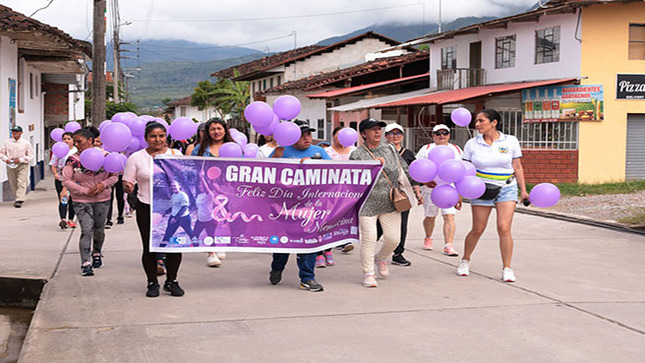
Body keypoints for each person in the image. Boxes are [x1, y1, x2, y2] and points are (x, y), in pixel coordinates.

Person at [458, 109, 529, 283]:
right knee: (478, 229)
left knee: (504, 228)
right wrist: (460, 193)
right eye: (476, 121)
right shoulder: (472, 144)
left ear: (494, 122)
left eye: (481, 121)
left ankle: (507, 268)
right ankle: (465, 260)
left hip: (507, 187)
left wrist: (524, 190)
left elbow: (517, 166)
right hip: (481, 189)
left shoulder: (510, 141)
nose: (477, 124)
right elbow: (463, 171)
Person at [349, 118, 417, 288]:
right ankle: (368, 273)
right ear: (363, 134)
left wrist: (419, 182)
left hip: (391, 200)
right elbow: (351, 179)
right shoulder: (357, 155)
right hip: (367, 203)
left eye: (379, 129)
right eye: (372, 129)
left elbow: (404, 170)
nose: (377, 132)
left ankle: (380, 259)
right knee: (369, 239)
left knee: (394, 239)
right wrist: (372, 166)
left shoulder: (390, 149)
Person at [123, 122, 186, 297]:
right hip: (147, 207)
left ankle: (172, 281)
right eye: (153, 136)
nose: (157, 139)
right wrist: (128, 187)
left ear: (166, 137)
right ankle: (152, 283)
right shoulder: (136, 158)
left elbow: (186, 177)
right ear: (146, 139)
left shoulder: (176, 155)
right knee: (149, 247)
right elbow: (128, 181)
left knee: (174, 246)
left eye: (161, 136)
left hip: (172, 208)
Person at [268, 120, 330, 292]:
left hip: (310, 207)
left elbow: (335, 173)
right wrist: (276, 158)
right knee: (283, 244)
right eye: (302, 135)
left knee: (308, 242)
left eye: (309, 134)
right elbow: (265, 174)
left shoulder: (320, 152)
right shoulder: (281, 151)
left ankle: (307, 278)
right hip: (284, 208)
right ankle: (277, 268)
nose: (307, 138)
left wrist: (316, 165)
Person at [61, 129, 118, 276]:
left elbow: (114, 176)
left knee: (99, 229)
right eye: (75, 142)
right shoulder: (72, 160)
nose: (76, 144)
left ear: (90, 140)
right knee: (86, 229)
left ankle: (97, 253)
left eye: (79, 141)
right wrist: (84, 191)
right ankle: (85, 262)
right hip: (81, 201)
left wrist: (102, 185)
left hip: (102, 199)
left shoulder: (105, 157)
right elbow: (66, 179)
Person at [416, 124, 463, 256]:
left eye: (445, 132)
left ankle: (449, 245)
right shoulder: (426, 149)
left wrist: (460, 194)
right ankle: (428, 237)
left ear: (449, 135)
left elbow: (461, 171)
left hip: (450, 188)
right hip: (431, 187)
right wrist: (419, 190)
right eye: (438, 133)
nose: (442, 135)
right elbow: (418, 169)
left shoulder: (456, 149)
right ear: (433, 135)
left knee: (449, 216)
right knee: (430, 216)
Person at [381, 123, 422, 267]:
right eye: (391, 133)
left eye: (398, 133)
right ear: (386, 136)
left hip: (403, 194)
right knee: (380, 223)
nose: (395, 136)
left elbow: (414, 175)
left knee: (402, 223)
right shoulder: (381, 152)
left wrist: (418, 192)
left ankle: (398, 253)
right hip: (384, 193)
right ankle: (368, 246)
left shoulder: (409, 154)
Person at [191, 118, 230, 266]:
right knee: (209, 218)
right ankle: (211, 252)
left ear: (225, 130)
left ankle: (220, 243)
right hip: (206, 190)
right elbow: (193, 169)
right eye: (212, 129)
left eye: (219, 128)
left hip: (226, 190)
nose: (216, 132)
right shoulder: (199, 149)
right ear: (207, 132)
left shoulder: (232, 147)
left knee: (223, 218)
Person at [326, 126, 357, 255]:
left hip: (350, 191)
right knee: (332, 216)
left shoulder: (355, 151)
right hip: (331, 191)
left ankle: (344, 241)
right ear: (333, 136)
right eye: (338, 135)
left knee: (346, 216)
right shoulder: (327, 152)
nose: (341, 138)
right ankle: (328, 243)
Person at [0, 126, 34, 208]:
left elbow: (30, 155)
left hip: (22, 164)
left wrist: (21, 159)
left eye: (17, 131)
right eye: (13, 131)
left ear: (21, 133)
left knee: (21, 181)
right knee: (13, 182)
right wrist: (6, 159)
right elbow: (1, 153)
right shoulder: (6, 142)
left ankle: (19, 199)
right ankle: (17, 198)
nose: (14, 133)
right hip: (10, 164)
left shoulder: (26, 143)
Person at [50, 131, 77, 229]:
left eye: (69, 139)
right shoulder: (58, 150)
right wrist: (56, 173)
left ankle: (71, 219)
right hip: (61, 179)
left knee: (73, 200)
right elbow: (53, 164)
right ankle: (63, 219)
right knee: (63, 199)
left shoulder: (76, 151)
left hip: (73, 180)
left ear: (73, 140)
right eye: (64, 139)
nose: (66, 141)